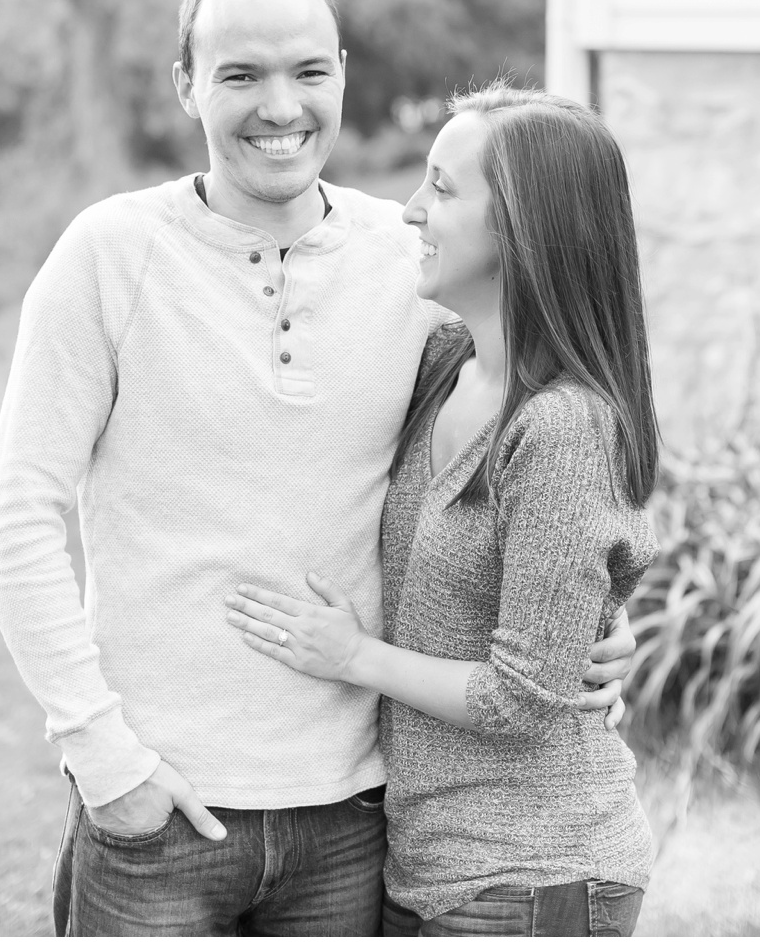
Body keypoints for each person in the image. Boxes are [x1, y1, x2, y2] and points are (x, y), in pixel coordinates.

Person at [0, 0, 635, 936]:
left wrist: (594, 625)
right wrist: (104, 756)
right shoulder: (108, 256)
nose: (277, 105)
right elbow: (15, 518)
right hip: (159, 809)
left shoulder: (410, 267)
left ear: (338, 73)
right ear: (184, 84)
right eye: (239, 73)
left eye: (306, 71)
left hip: (353, 812)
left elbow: (541, 445)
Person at [226, 86, 659, 936]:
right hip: (437, 863)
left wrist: (354, 654)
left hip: (534, 875)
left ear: (524, 230)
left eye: (444, 189)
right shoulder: (444, 364)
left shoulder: (562, 424)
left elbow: (521, 699)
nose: (412, 211)